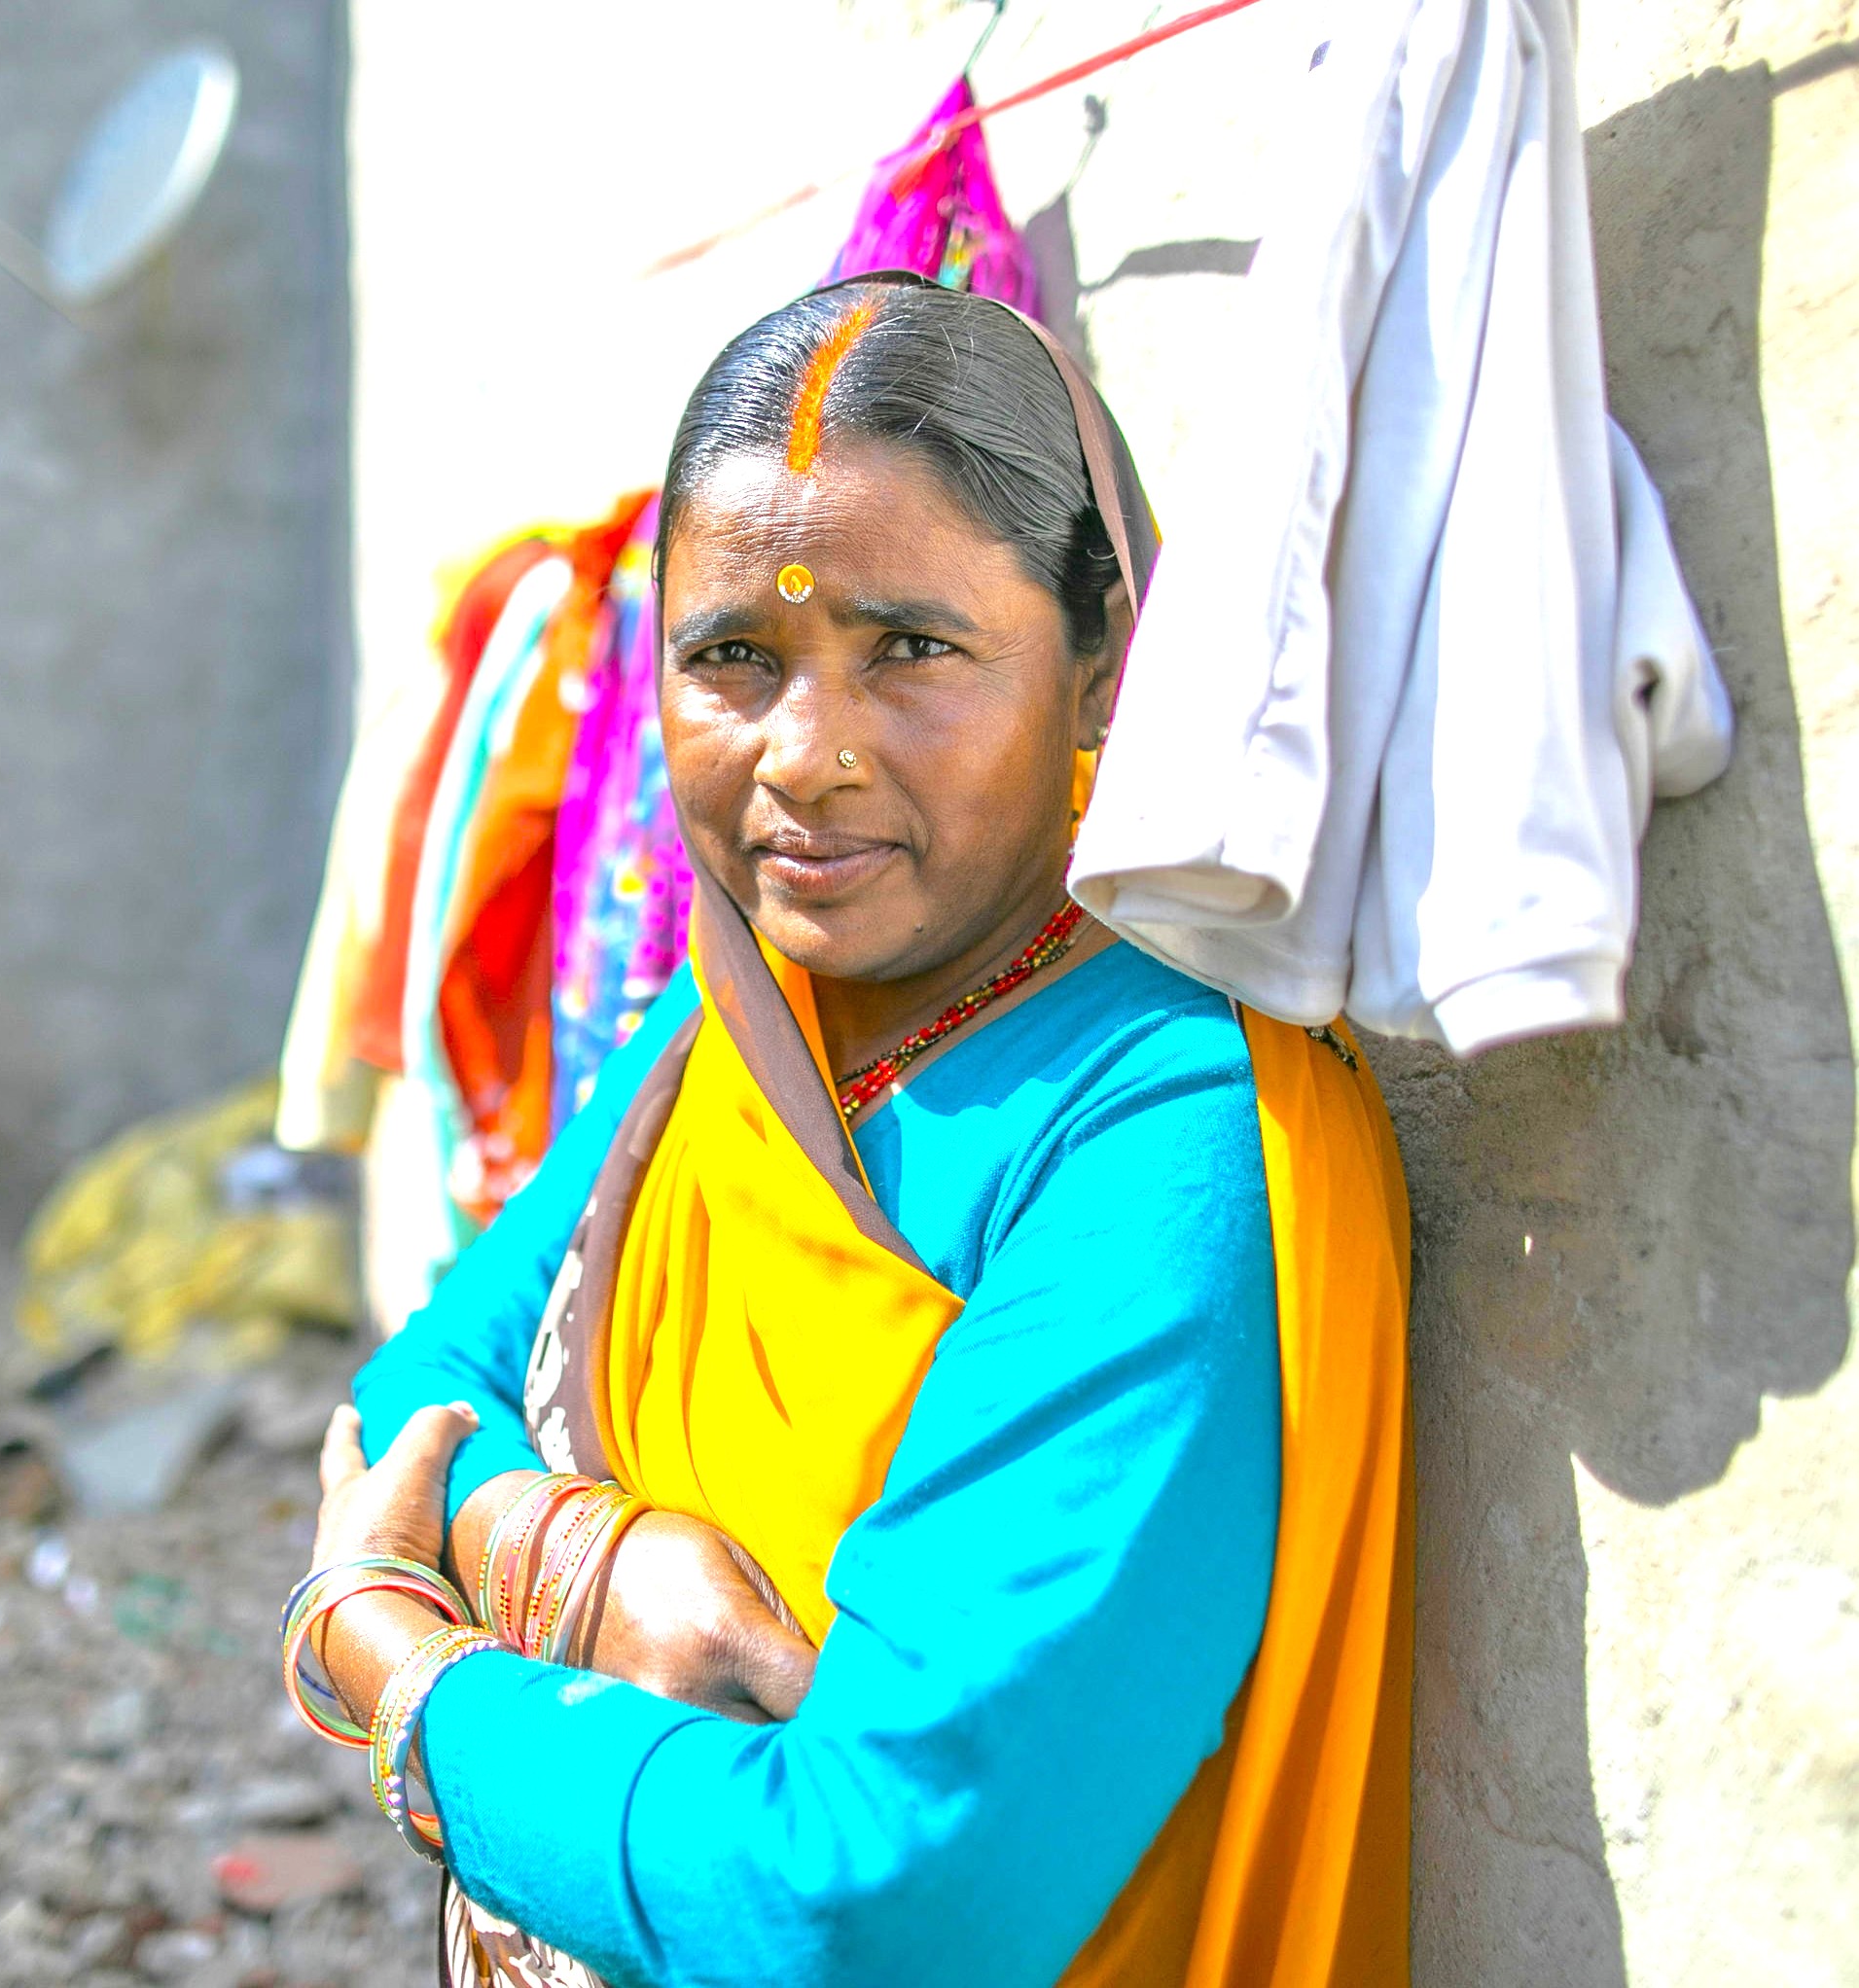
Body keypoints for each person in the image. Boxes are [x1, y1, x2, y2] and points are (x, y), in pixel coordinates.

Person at [285, 273, 1412, 1988]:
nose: (804, 759)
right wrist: (597, 1570)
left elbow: (864, 1896)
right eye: (734, 657)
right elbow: (418, 1387)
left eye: (911, 649)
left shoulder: (1161, 1141)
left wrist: (401, 1674)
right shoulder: (726, 1020)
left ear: (1099, 663)